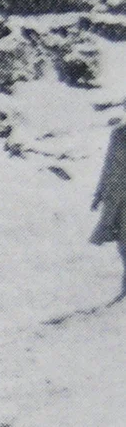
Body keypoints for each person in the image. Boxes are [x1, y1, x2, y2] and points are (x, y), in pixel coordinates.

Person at [91, 122, 126, 301]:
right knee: (122, 245)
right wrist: (99, 193)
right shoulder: (119, 134)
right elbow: (109, 165)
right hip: (116, 198)